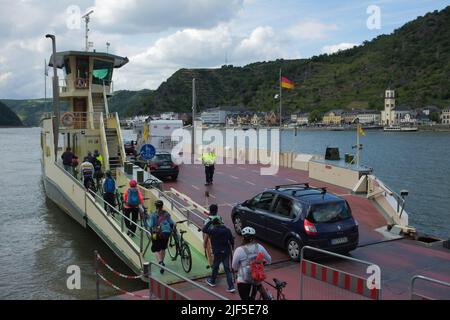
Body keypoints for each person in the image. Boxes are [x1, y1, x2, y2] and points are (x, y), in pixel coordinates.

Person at [232, 227, 272, 300]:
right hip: (256, 279)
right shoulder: (260, 247)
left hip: (243, 281)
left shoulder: (239, 250)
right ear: (253, 237)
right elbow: (269, 260)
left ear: (243, 237)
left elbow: (234, 266)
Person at [203, 216, 236, 293]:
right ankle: (231, 286)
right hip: (226, 251)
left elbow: (204, 229)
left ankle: (212, 281)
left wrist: (210, 221)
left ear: (214, 224)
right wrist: (232, 248)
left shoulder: (213, 230)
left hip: (217, 252)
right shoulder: (227, 230)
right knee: (227, 269)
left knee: (215, 266)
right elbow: (231, 241)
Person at [149, 200, 175, 274]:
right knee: (163, 248)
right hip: (165, 234)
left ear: (156, 206)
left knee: (156, 249)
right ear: (162, 206)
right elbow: (171, 222)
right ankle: (162, 262)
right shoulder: (166, 214)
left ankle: (160, 263)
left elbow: (151, 225)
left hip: (156, 234)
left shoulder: (153, 215)